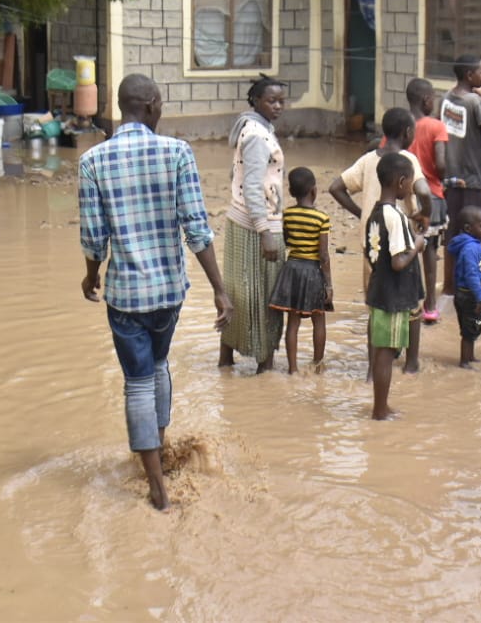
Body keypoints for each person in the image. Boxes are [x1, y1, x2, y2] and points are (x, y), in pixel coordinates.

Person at [78, 75, 235, 511]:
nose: (161, 110)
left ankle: (155, 484)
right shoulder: (177, 153)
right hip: (168, 294)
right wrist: (219, 290)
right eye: (161, 104)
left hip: (125, 296)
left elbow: (93, 237)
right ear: (149, 105)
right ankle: (159, 453)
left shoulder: (92, 161)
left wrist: (91, 276)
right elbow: (197, 228)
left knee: (137, 383)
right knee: (160, 365)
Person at [330, 107, 433, 374]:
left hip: (373, 242)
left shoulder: (367, 160)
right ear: (408, 132)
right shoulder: (407, 160)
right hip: (402, 243)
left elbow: (336, 187)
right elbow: (424, 191)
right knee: (412, 304)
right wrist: (425, 214)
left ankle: (372, 368)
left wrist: (361, 214)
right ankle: (411, 364)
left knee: (376, 306)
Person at [219, 76, 288, 372]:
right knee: (267, 298)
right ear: (256, 101)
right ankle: (265, 366)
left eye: (281, 101)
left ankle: (225, 360)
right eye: (272, 101)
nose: (278, 106)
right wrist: (265, 231)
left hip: (241, 220)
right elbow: (252, 185)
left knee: (239, 292)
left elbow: (236, 175)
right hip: (258, 226)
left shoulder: (250, 128)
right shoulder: (258, 136)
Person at [365, 153, 424, 420]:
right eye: (410, 182)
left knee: (382, 351)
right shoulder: (396, 216)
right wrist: (418, 245)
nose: (411, 187)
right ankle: (380, 410)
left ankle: (381, 406)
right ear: (401, 182)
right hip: (393, 295)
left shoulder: (375, 213)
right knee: (386, 353)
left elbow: (372, 253)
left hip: (378, 289)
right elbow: (399, 261)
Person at [440, 54, 481, 297]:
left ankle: (449, 286)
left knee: (451, 231)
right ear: (469, 75)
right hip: (473, 176)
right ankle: (473, 286)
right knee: (474, 233)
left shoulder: (446, 98)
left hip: (451, 176)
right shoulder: (475, 102)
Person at [269, 167, 333, 374]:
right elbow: (324, 255)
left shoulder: (287, 214)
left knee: (293, 322)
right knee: (319, 319)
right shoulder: (322, 218)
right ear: (314, 191)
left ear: (291, 192)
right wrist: (329, 285)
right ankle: (318, 364)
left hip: (292, 270)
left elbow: (286, 240)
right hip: (313, 271)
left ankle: (293, 369)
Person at [406, 77, 450, 323]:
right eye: (433, 98)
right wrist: (445, 176)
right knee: (430, 248)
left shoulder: (402, 124)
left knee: (406, 245)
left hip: (405, 196)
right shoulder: (436, 126)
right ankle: (430, 305)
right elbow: (441, 164)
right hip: (431, 194)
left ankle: (407, 301)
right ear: (426, 100)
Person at [449, 205, 481, 368]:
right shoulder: (470, 248)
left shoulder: (473, 244)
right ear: (468, 228)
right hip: (470, 296)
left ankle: (470, 356)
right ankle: (465, 361)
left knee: (473, 327)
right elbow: (471, 275)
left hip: (469, 294)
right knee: (469, 330)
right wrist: (480, 298)